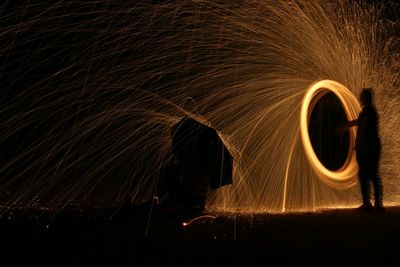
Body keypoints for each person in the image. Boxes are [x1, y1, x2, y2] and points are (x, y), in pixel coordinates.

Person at [345, 88, 384, 212]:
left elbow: (363, 126)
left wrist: (359, 144)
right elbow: (359, 122)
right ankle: (378, 203)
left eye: (362, 97)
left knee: (365, 175)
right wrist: (347, 125)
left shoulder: (367, 112)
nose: (360, 99)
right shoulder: (370, 111)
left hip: (367, 148)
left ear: (365, 98)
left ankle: (368, 203)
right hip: (374, 147)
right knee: (373, 175)